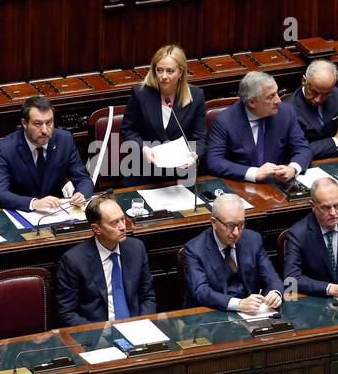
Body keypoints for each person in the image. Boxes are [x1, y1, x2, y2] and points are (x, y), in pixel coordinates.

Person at [55, 195, 156, 326]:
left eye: (122, 219)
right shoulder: (74, 261)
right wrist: (99, 334)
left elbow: (148, 296)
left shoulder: (136, 248)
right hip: (98, 334)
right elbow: (66, 312)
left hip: (136, 326)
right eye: (114, 223)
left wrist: (143, 325)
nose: (123, 227)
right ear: (96, 229)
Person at [182, 193, 284, 313]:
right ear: (214, 222)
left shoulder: (253, 239)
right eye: (230, 225)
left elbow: (271, 276)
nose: (236, 232)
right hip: (211, 314)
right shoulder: (194, 249)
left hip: (252, 313)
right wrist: (238, 304)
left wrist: (275, 292)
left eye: (241, 224)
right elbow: (201, 291)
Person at [0, 96, 94, 211]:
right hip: (22, 213)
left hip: (57, 211)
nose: (45, 130)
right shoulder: (6, 148)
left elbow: (83, 179)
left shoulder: (64, 140)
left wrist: (81, 194)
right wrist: (33, 203)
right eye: (38, 124)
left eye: (49, 123)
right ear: (24, 123)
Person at [206, 71, 312, 183]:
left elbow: (302, 148)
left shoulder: (285, 112)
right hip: (242, 185)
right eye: (271, 96)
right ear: (252, 102)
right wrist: (254, 173)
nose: (278, 100)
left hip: (277, 183)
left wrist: (293, 169)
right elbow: (215, 161)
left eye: (277, 93)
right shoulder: (225, 121)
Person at [120, 44, 206, 179]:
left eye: (170, 71)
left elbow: (199, 138)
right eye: (159, 70)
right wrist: (143, 148)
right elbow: (128, 130)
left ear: (181, 72)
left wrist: (194, 154)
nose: (163, 76)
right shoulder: (140, 94)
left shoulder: (196, 97)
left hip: (180, 172)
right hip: (144, 171)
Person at [287, 59, 338, 159]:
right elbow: (297, 151)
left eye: (326, 94)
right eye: (314, 92)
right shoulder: (288, 109)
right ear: (304, 80)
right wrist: (336, 140)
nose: (318, 99)